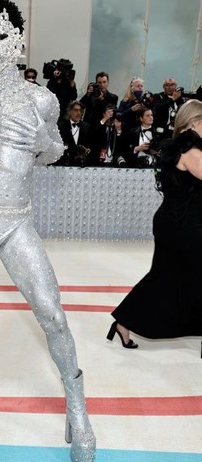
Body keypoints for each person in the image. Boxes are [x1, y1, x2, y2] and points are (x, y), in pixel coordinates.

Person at [0, 1, 95, 461]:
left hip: (16, 217)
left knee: (51, 310)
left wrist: (42, 142)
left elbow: (54, 152)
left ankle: (78, 408)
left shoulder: (42, 99)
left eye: (0, 39)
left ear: (17, 42)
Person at [109, 99, 202, 351]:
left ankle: (123, 322)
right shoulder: (191, 152)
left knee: (164, 276)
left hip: (175, 223)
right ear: (194, 122)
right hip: (184, 226)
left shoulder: (179, 148)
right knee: (174, 277)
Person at [56, 101, 92, 166]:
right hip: (64, 163)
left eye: (80, 110)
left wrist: (88, 149)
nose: (78, 113)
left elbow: (89, 143)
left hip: (81, 164)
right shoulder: (61, 125)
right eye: (76, 110)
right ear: (69, 112)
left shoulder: (86, 126)